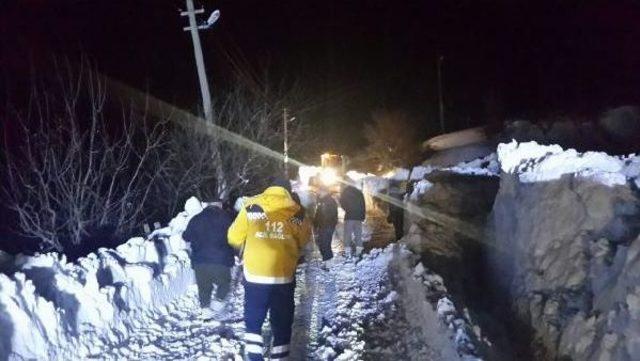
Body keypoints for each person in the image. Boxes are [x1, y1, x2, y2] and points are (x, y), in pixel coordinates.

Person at [228, 177, 311, 361]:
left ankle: (254, 357)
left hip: (254, 275)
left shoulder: (251, 207)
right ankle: (279, 358)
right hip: (283, 276)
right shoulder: (296, 212)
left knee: (254, 319)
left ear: (269, 189)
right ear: (288, 191)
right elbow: (305, 239)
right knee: (282, 321)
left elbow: (233, 236)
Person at [182, 201, 235, 318]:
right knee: (224, 284)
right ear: (219, 206)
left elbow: (185, 236)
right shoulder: (226, 218)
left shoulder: (196, 219)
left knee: (204, 287)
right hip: (221, 260)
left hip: (200, 261)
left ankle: (205, 311)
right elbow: (234, 237)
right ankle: (217, 304)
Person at [339, 181, 366, 256]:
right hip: (358, 217)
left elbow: (341, 202)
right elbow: (363, 205)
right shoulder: (359, 192)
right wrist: (363, 216)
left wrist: (347, 209)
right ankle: (359, 251)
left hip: (350, 216)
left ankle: (347, 252)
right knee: (358, 234)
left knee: (347, 234)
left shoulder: (345, 191)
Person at [314, 187, 338, 268]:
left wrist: (321, 224)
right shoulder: (323, 201)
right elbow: (319, 214)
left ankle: (328, 264)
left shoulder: (328, 201)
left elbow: (327, 215)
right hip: (325, 225)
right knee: (324, 243)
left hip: (326, 226)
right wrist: (315, 223)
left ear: (324, 192)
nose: (318, 194)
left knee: (325, 243)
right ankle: (327, 262)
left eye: (319, 192)